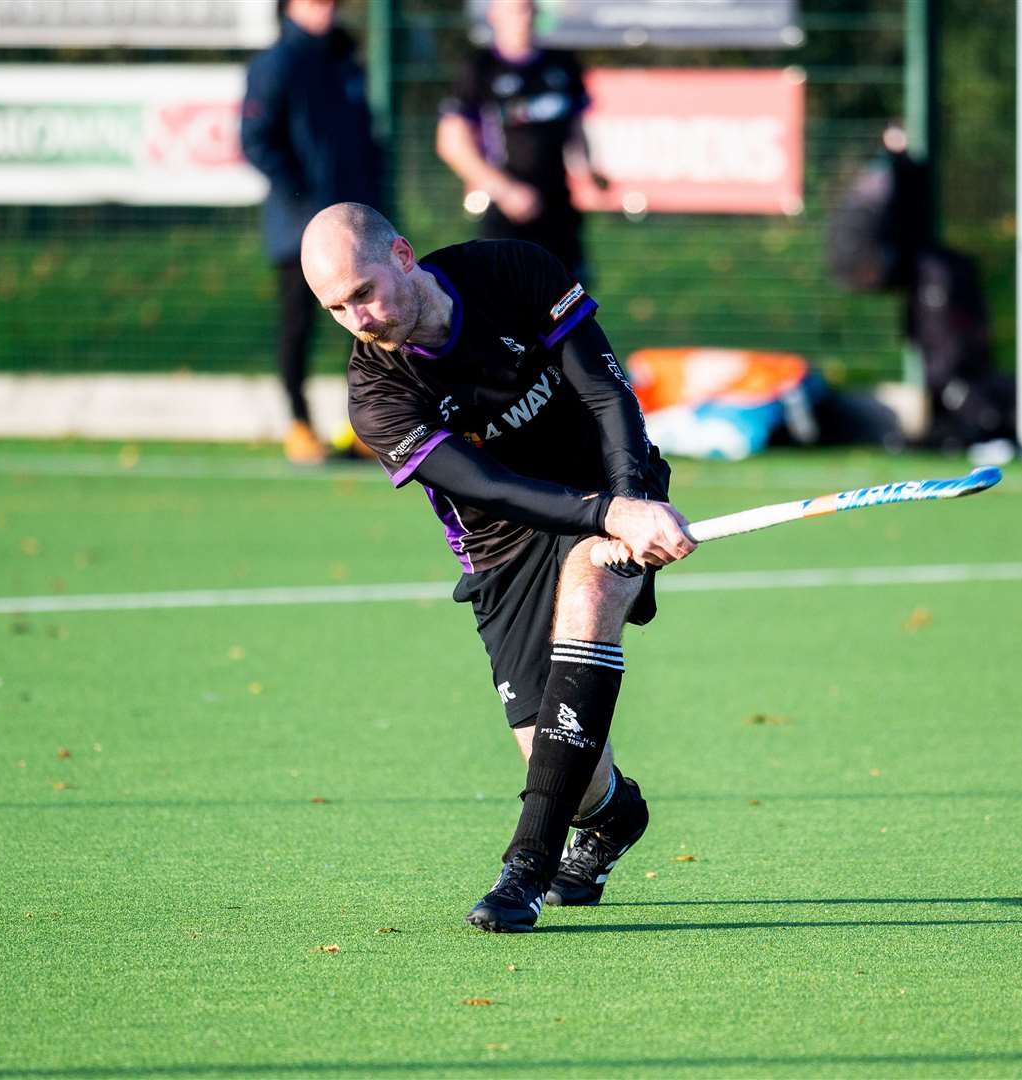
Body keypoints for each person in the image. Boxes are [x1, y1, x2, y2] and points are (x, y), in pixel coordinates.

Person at [299, 202, 695, 932]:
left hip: (612, 482)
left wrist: (630, 500)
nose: (357, 318)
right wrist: (607, 516)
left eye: (363, 292)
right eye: (335, 308)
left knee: (590, 584)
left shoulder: (515, 272)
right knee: (563, 767)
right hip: (502, 544)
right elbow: (489, 488)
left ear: (405, 257)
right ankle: (613, 817)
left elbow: (607, 393)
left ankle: (526, 869)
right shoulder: (377, 396)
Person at [241, 0, 383, 464]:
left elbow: (364, 138)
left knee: (367, 327)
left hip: (357, 227)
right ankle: (299, 424)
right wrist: (304, 201)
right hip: (299, 229)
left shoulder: (344, 58)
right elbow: (257, 139)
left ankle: (363, 429)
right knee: (299, 325)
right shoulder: (276, 63)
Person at [435, 0, 605, 278]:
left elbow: (575, 131)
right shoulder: (480, 68)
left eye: (527, 8)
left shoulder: (562, 64)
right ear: (494, 15)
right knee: (505, 301)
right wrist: (505, 190)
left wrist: (589, 172)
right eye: (514, 9)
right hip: (505, 211)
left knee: (568, 302)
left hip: (557, 204)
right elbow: (451, 143)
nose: (523, 17)